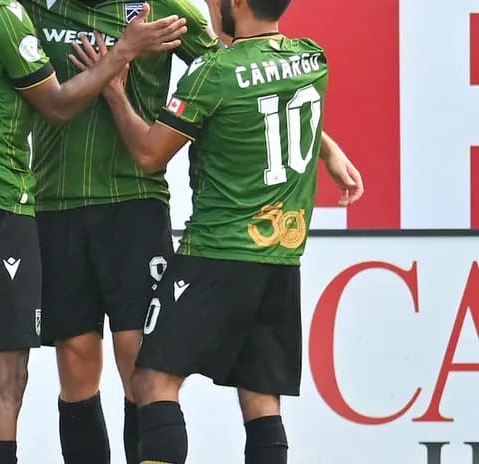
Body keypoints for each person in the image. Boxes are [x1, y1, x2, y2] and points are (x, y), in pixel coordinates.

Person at [0, 0, 187, 462]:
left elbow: (224, 56)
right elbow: (57, 106)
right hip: (9, 206)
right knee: (16, 376)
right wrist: (120, 53)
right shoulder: (6, 14)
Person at [70, 0, 364, 462]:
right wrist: (327, 149)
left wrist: (114, 93)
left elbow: (149, 154)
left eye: (216, 1)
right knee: (261, 399)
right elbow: (271, 100)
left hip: (216, 252)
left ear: (239, 4)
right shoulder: (312, 59)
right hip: (281, 259)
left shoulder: (213, 73)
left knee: (152, 380)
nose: (209, 6)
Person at [19, 1, 217, 462]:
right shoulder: (30, 5)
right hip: (56, 201)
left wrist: (323, 145)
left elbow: (224, 70)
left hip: (135, 202)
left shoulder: (165, 7)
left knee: (139, 358)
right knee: (75, 359)